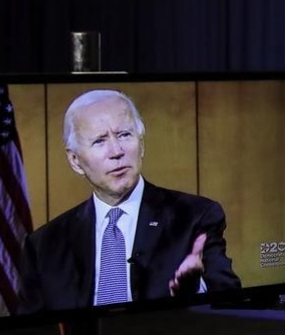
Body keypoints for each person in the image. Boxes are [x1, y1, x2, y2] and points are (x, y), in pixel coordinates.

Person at [17, 89, 241, 314]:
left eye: (124, 135)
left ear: (141, 145)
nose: (116, 151)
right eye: (99, 141)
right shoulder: (43, 246)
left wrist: (194, 294)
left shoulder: (194, 217)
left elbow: (232, 304)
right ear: (75, 161)